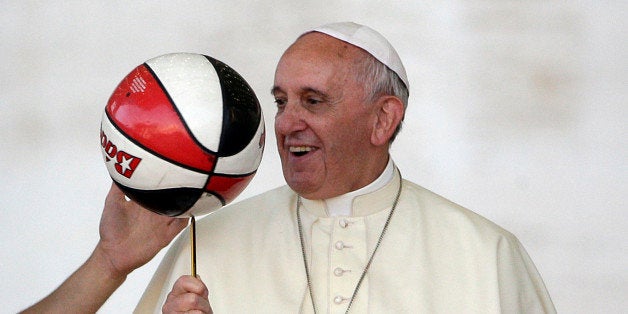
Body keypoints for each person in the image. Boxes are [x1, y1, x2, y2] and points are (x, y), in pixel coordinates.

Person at [22, 22, 555, 313]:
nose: (285, 124)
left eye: (313, 101)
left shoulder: (486, 255)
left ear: (382, 120)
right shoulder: (204, 247)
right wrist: (109, 262)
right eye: (280, 101)